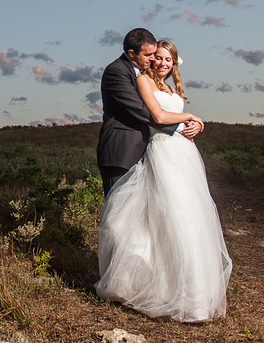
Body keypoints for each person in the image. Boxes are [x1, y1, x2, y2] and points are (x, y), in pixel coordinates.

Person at [95, 40, 232, 322]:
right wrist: (190, 116)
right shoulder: (144, 81)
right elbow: (156, 116)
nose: (162, 63)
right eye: (157, 57)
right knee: (167, 216)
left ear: (174, 63)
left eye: (168, 60)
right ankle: (150, 284)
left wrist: (195, 124)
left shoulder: (170, 88)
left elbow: (172, 116)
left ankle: (192, 293)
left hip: (184, 154)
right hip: (161, 151)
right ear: (148, 59)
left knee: (190, 218)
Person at [96, 28, 200, 197]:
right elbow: (140, 111)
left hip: (144, 150)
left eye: (155, 54)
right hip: (121, 151)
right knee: (118, 209)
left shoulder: (147, 77)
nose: (153, 59)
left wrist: (189, 124)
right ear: (131, 53)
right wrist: (181, 126)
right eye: (149, 55)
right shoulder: (117, 72)